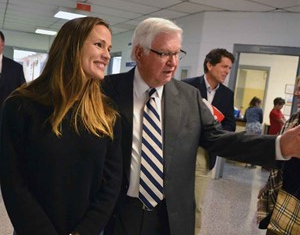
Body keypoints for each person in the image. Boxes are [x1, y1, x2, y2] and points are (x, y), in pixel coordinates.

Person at [102, 17, 300, 235]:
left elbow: (219, 138)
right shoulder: (106, 92)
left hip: (170, 215)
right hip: (119, 213)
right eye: (165, 53)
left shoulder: (188, 97)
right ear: (139, 53)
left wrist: (279, 146)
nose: (173, 62)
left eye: (177, 53)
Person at [0, 17, 122, 235]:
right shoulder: (20, 105)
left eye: (109, 48)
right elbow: (13, 181)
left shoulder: (106, 114)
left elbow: (111, 184)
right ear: (72, 46)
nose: (106, 55)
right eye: (98, 45)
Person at [182, 48, 236, 233]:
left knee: (196, 203)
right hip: (180, 151)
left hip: (204, 154)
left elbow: (230, 125)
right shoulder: (187, 86)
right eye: (224, 66)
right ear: (210, 65)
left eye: (229, 68)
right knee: (171, 199)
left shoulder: (227, 95)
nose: (227, 71)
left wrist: (213, 129)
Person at [257, 77, 300, 235]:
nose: (296, 93)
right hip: (283, 196)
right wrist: (268, 186)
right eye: (297, 89)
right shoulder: (294, 119)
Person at [244, 96, 263, 168]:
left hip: (248, 126)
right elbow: (261, 120)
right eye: (259, 103)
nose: (260, 105)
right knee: (256, 144)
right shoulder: (259, 110)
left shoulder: (247, 109)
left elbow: (244, 119)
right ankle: (254, 163)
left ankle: (247, 162)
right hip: (256, 126)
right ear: (256, 103)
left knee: (248, 144)